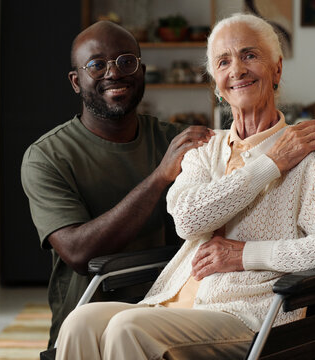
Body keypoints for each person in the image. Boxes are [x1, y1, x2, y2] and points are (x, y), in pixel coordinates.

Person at [55, 13, 315, 360]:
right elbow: (188, 221)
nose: (236, 69)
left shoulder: (311, 156)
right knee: (80, 321)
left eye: (250, 55)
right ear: (216, 82)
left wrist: (246, 255)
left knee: (126, 328)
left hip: (249, 317)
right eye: (224, 61)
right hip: (171, 303)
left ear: (277, 69)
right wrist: (270, 165)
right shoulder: (204, 150)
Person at [21, 21, 215, 348]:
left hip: (167, 318)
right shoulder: (47, 156)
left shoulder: (173, 140)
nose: (114, 73)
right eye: (97, 65)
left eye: (126, 61)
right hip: (85, 330)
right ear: (75, 81)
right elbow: (78, 252)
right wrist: (159, 178)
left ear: (141, 71)